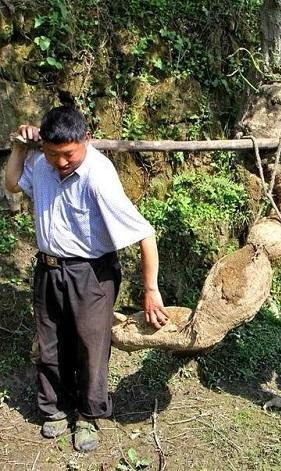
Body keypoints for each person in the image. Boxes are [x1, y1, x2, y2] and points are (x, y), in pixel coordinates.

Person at [5, 106, 170, 452]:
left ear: (86, 140)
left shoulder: (99, 175)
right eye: (53, 154)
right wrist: (21, 147)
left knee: (91, 348)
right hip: (48, 268)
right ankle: (54, 409)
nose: (61, 162)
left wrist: (151, 291)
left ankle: (87, 415)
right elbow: (12, 184)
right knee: (50, 342)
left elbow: (145, 234)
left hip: (91, 274)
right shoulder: (41, 162)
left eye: (68, 154)